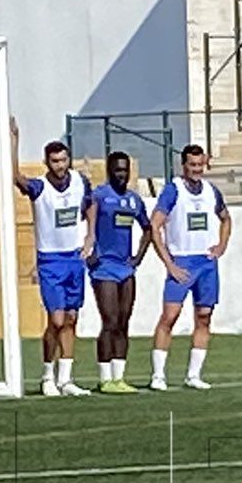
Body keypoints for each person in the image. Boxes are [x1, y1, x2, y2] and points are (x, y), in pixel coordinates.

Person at [12, 122, 93, 398]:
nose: (60, 165)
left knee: (71, 317)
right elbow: (16, 178)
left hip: (74, 258)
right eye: (54, 161)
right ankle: (47, 373)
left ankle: (66, 378)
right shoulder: (40, 187)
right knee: (56, 319)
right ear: (47, 162)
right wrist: (14, 142)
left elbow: (90, 204)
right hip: (50, 260)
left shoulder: (81, 182)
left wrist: (90, 236)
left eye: (63, 160)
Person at [148, 144, 232, 391]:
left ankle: (193, 375)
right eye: (191, 165)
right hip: (182, 261)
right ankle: (158, 375)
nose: (196, 170)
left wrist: (221, 245)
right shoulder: (173, 190)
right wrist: (169, 263)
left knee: (204, 316)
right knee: (169, 316)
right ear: (183, 165)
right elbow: (155, 226)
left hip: (205, 263)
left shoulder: (211, 191)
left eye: (199, 165)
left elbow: (226, 218)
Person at [87, 150, 152, 394]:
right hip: (104, 267)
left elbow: (148, 228)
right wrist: (89, 249)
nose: (122, 174)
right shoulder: (99, 196)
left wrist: (138, 257)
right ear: (109, 171)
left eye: (125, 170)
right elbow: (82, 220)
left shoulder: (134, 200)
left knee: (124, 321)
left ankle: (119, 377)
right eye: (117, 170)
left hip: (126, 268)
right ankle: (105, 378)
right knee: (110, 320)